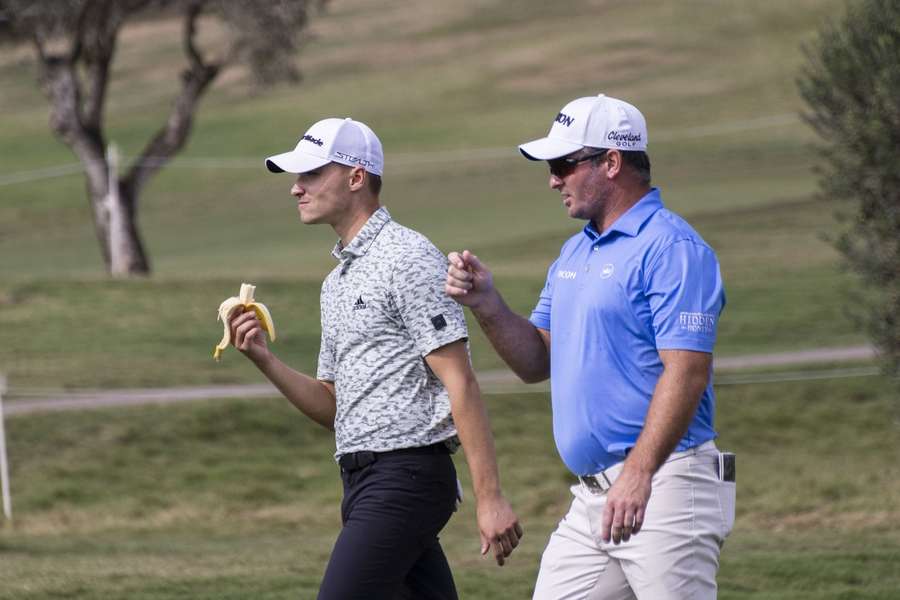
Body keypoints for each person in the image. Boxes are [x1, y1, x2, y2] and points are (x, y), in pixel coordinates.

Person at [445, 94, 735, 599]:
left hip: (664, 484)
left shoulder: (673, 248)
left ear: (612, 162)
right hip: (595, 498)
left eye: (563, 164)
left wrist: (639, 474)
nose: (553, 179)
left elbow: (686, 371)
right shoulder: (575, 251)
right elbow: (537, 360)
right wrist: (487, 304)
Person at [227, 117, 522, 600]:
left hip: (406, 479)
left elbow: (461, 382)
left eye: (310, 175)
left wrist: (489, 498)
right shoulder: (336, 283)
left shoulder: (408, 257)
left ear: (356, 177)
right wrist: (264, 358)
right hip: (361, 482)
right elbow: (333, 405)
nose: (295, 189)